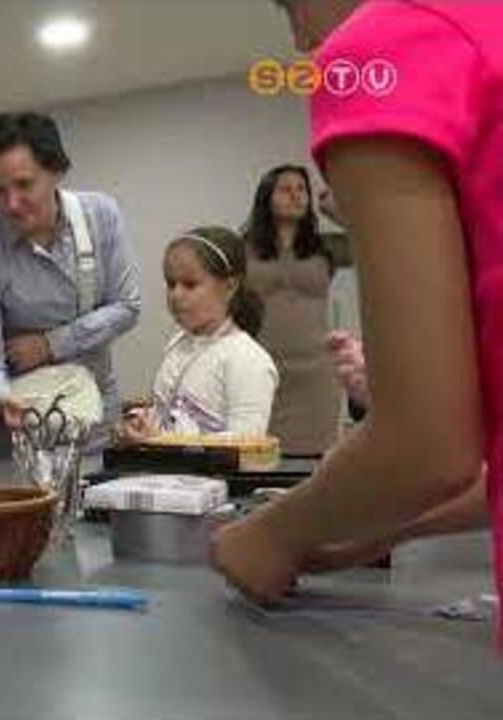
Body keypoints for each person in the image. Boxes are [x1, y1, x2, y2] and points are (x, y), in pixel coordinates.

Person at [212, 1, 502, 642]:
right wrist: (367, 530)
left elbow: (427, 448)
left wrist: (269, 537)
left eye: (290, 7)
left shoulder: (382, 49)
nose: (300, 45)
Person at [0, 111, 140, 442]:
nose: (11, 204)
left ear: (56, 171)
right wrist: (1, 397)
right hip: (21, 428)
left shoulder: (101, 216)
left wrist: (50, 344)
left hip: (97, 420)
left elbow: (127, 307)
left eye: (24, 185)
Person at [119, 227, 278, 442]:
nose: (176, 295)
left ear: (230, 287)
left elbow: (247, 443)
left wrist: (161, 440)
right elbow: (172, 415)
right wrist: (141, 422)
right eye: (171, 284)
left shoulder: (247, 359)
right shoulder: (178, 343)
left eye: (190, 285)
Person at [242, 164, 352, 454]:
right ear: (267, 197)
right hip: (261, 369)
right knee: (259, 457)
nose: (296, 195)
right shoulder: (243, 249)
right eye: (285, 189)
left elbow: (375, 241)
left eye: (302, 189)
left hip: (316, 372)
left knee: (316, 460)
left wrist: (339, 212)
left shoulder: (324, 247)